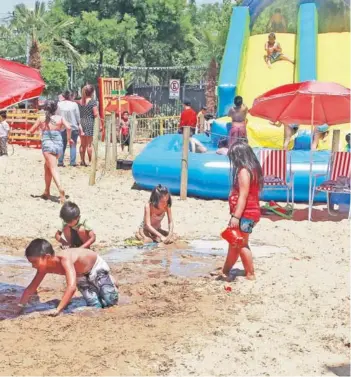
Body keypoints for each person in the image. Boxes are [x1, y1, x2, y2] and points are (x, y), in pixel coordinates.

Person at [16, 239, 118, 316]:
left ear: (47, 257)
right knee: (95, 305)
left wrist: (58, 309)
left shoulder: (64, 258)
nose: (33, 266)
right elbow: (31, 288)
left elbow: (71, 287)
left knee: (111, 301)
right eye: (31, 263)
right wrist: (20, 307)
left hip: (95, 267)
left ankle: (110, 280)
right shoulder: (43, 268)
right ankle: (100, 285)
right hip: (79, 275)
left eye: (34, 262)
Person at [216, 141, 263, 281]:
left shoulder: (244, 171)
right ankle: (225, 270)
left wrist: (235, 217)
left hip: (245, 214)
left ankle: (250, 273)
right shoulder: (254, 169)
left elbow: (243, 195)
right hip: (251, 212)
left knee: (242, 243)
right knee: (234, 242)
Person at [28, 101, 72, 204]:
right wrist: (69, 139)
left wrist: (35, 128)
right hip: (59, 145)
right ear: (55, 108)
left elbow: (31, 130)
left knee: (52, 168)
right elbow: (69, 127)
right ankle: (46, 191)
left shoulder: (42, 118)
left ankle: (60, 189)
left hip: (48, 145)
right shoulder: (60, 118)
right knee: (47, 166)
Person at [57, 90, 83, 167]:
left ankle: (60, 162)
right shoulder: (74, 104)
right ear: (71, 96)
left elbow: (57, 115)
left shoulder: (59, 104)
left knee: (62, 145)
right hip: (73, 127)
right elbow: (77, 116)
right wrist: (79, 124)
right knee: (73, 144)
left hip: (62, 127)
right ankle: (72, 162)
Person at [78, 85, 101, 166]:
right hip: (90, 122)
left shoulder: (80, 101)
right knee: (89, 144)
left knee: (82, 144)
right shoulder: (92, 102)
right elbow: (96, 114)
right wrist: (100, 125)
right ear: (92, 92)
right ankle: (91, 161)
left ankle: (82, 160)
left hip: (81, 123)